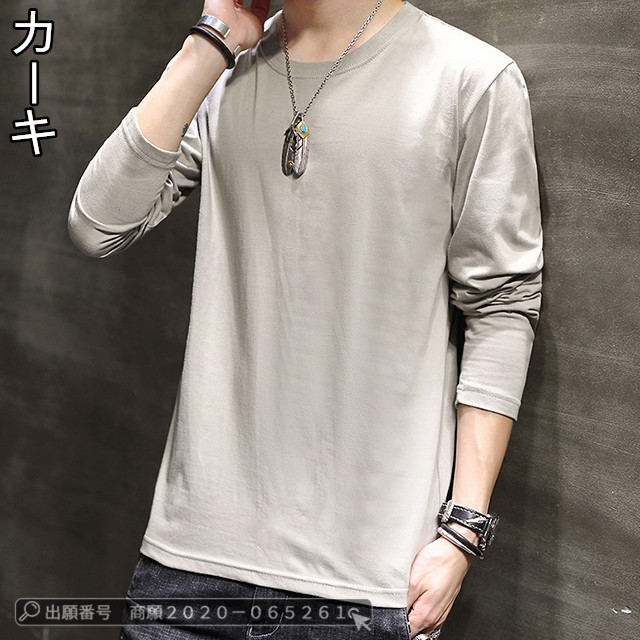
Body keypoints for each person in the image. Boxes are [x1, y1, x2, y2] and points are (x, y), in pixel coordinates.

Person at [67, 0, 544, 638]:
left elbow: (502, 305)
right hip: (188, 565)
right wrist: (210, 44)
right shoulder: (226, 72)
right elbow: (97, 225)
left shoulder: (471, 80)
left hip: (366, 581)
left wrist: (463, 529)